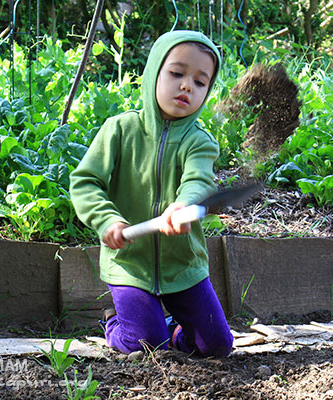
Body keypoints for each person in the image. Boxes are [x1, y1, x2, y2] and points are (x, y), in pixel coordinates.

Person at [69, 30, 233, 357]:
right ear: (153, 73)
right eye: (176, 73)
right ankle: (116, 324)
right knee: (145, 344)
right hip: (130, 265)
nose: (187, 85)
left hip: (182, 265)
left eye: (201, 82)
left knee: (217, 346)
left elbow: (199, 181)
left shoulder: (200, 142)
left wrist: (184, 204)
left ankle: (174, 336)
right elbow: (85, 182)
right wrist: (107, 220)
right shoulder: (119, 130)